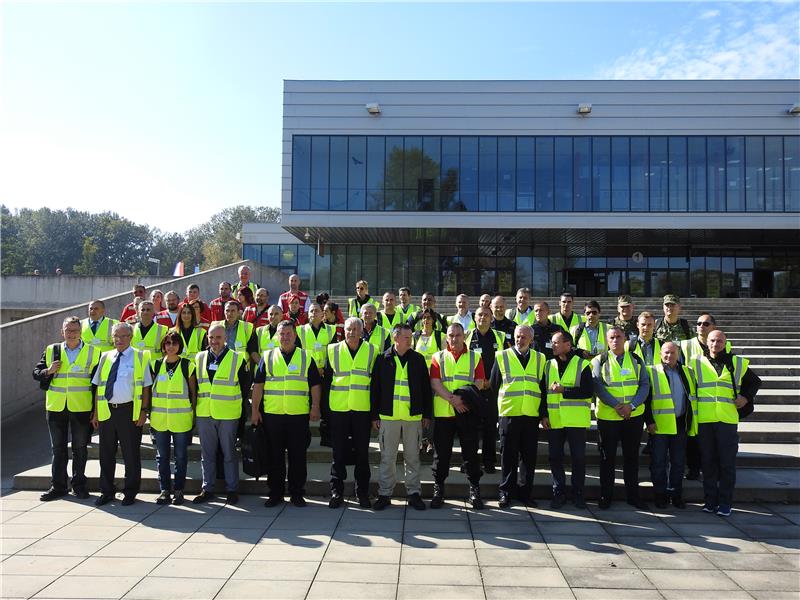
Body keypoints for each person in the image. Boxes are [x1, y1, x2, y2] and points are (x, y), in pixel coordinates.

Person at [251, 321, 322, 507]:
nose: (285, 337)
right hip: (273, 416)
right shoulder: (267, 357)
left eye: (288, 333)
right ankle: (275, 493)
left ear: (296, 335)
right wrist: (255, 410)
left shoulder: (306, 357)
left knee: (298, 456)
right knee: (275, 456)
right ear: (277, 336)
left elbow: (315, 385)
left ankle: (297, 493)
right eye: (282, 334)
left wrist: (315, 407)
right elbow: (258, 386)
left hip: (298, 416)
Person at [33, 316, 101, 501]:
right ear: (62, 332)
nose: (71, 334)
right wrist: (49, 371)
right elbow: (36, 373)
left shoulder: (93, 352)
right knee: (58, 449)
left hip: (81, 407)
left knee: (80, 448)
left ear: (81, 332)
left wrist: (96, 411)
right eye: (68, 330)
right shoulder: (52, 350)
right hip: (56, 407)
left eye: (75, 330)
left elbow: (98, 385)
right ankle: (58, 486)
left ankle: (79, 486)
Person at [694, 330, 761, 516]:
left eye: (719, 341)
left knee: (727, 464)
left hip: (727, 419)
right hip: (705, 420)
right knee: (707, 463)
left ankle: (725, 503)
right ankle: (709, 501)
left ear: (725, 343)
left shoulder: (736, 362)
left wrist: (746, 397)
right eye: (712, 341)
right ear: (707, 342)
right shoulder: (696, 362)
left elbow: (755, 382)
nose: (716, 344)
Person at [370, 324, 432, 511]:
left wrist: (427, 414)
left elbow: (425, 389)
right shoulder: (382, 359)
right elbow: (375, 389)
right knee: (387, 458)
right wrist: (374, 415)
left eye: (410, 337)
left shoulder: (418, 359)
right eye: (406, 337)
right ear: (396, 338)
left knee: (412, 458)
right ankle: (384, 494)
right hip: (388, 417)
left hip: (413, 418)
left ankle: (414, 493)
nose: (410, 340)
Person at [91, 322, 153, 506]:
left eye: (123, 336)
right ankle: (106, 490)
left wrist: (144, 411)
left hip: (129, 412)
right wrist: (95, 413)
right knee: (106, 453)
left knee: (130, 454)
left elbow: (146, 387)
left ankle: (130, 491)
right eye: (116, 336)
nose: (119, 339)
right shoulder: (105, 356)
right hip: (107, 411)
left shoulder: (140, 357)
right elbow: (98, 387)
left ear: (131, 337)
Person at [592, 326, 650, 510]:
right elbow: (597, 386)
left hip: (633, 417)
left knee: (631, 458)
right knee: (607, 458)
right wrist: (617, 406)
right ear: (607, 340)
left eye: (618, 336)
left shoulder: (635, 359)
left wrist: (631, 406)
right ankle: (605, 496)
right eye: (612, 337)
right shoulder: (599, 360)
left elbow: (644, 385)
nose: (615, 340)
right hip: (608, 417)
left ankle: (633, 496)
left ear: (625, 338)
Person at [192, 323, 250, 505]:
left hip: (228, 413)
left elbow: (245, 386)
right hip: (204, 413)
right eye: (211, 338)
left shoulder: (237, 358)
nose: (214, 341)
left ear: (226, 339)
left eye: (218, 338)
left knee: (229, 453)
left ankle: (232, 489)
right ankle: (207, 487)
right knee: (207, 453)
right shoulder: (199, 358)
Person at [490, 325, 547, 508]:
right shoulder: (502, 356)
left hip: (530, 414)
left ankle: (525, 493)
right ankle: (505, 492)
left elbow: (543, 388)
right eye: (517, 336)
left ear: (531, 339)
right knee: (508, 456)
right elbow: (493, 386)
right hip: (509, 414)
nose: (519, 340)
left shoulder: (540, 358)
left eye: (523, 337)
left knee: (528, 457)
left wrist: (543, 414)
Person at [324, 317, 379, 508]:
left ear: (363, 330)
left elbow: (376, 385)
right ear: (344, 330)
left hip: (362, 410)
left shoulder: (372, 350)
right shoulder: (332, 350)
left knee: (362, 454)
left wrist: (374, 414)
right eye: (349, 329)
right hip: (338, 409)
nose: (352, 332)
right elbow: (326, 382)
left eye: (356, 329)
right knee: (338, 453)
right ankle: (336, 492)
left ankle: (362, 492)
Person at [429, 323, 486, 509]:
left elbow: (479, 382)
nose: (454, 339)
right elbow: (435, 383)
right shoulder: (438, 357)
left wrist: (462, 399)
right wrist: (454, 400)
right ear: (447, 337)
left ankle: (474, 489)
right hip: (444, 412)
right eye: (451, 335)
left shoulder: (475, 357)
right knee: (441, 455)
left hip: (466, 412)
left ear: (464, 336)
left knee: (470, 453)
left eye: (458, 335)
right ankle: (439, 489)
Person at [646, 342, 698, 510]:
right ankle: (660, 495)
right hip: (659, 425)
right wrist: (649, 422)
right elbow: (646, 400)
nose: (669, 356)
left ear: (679, 353)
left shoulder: (687, 372)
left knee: (678, 462)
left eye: (672, 353)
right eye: (666, 353)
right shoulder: (652, 371)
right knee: (659, 462)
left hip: (680, 423)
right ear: (660, 354)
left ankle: (676, 494)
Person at [150, 331, 197, 505]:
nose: (171, 346)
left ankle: (178, 490)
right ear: (163, 346)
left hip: (181, 418)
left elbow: (193, 393)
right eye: (168, 343)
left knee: (181, 456)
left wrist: (193, 415)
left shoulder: (187, 365)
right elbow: (150, 390)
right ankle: (164, 490)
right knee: (161, 456)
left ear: (179, 346)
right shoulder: (155, 365)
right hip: (160, 419)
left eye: (174, 343)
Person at [546, 330, 592, 509]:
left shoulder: (583, 365)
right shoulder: (548, 365)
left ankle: (578, 494)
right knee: (555, 458)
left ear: (568, 344)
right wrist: (543, 415)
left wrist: (565, 390)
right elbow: (544, 392)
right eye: (552, 342)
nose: (553, 346)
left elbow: (588, 392)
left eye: (557, 342)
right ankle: (558, 493)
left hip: (576, 420)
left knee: (578, 459)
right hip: (555, 420)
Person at [465, 307, 506, 473]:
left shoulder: (500, 336)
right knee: (470, 429)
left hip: (492, 388)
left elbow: (504, 361)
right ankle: (470, 461)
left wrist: (490, 382)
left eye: (486, 315)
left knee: (490, 427)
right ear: (475, 317)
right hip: (472, 389)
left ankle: (489, 462)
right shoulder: (466, 335)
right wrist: (477, 383)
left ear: (491, 319)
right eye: (480, 315)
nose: (483, 317)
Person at [296, 304, 337, 376]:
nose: (314, 312)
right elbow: (298, 353)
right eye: (311, 311)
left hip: (325, 372)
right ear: (308, 315)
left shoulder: (331, 329)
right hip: (306, 371)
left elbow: (332, 353)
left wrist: (324, 369)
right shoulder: (299, 330)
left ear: (322, 314)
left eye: (316, 311)